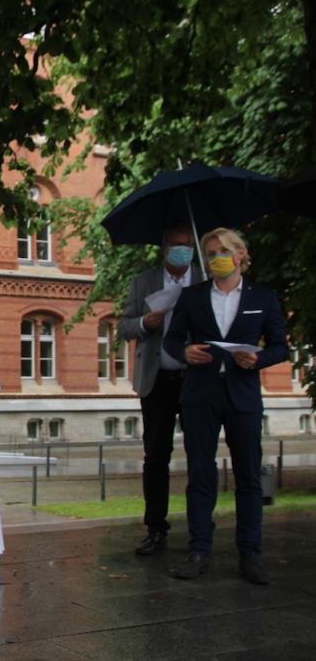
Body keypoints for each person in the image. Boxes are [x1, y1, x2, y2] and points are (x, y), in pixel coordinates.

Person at [164, 228, 287, 584]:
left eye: (222, 250)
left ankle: (250, 554)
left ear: (240, 253)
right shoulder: (192, 296)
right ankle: (198, 550)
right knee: (200, 477)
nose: (216, 256)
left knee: (248, 477)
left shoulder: (263, 297)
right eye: (210, 251)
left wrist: (259, 358)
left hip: (243, 396)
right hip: (200, 396)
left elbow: (280, 346)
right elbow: (173, 339)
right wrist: (184, 352)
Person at [117, 223, 200, 556]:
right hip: (157, 380)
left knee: (199, 455)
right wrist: (143, 324)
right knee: (155, 458)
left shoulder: (204, 279)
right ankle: (155, 528)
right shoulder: (144, 282)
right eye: (176, 244)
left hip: (195, 379)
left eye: (187, 244)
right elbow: (123, 326)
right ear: (164, 248)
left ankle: (200, 529)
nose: (182, 250)